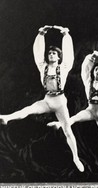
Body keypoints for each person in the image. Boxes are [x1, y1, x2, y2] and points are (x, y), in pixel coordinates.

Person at [0, 25, 84, 172]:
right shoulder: (42, 66)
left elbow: (69, 53)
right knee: (28, 109)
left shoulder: (64, 67)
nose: (50, 55)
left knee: (67, 130)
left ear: (58, 57)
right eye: (49, 53)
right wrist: (41, 34)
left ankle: (76, 157)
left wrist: (65, 35)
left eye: (53, 53)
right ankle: (7, 118)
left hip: (60, 102)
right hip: (47, 100)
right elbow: (37, 51)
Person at [47, 50, 98, 168]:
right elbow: (85, 64)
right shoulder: (88, 81)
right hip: (90, 110)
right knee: (75, 118)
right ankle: (60, 124)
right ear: (93, 71)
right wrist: (94, 54)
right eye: (96, 69)